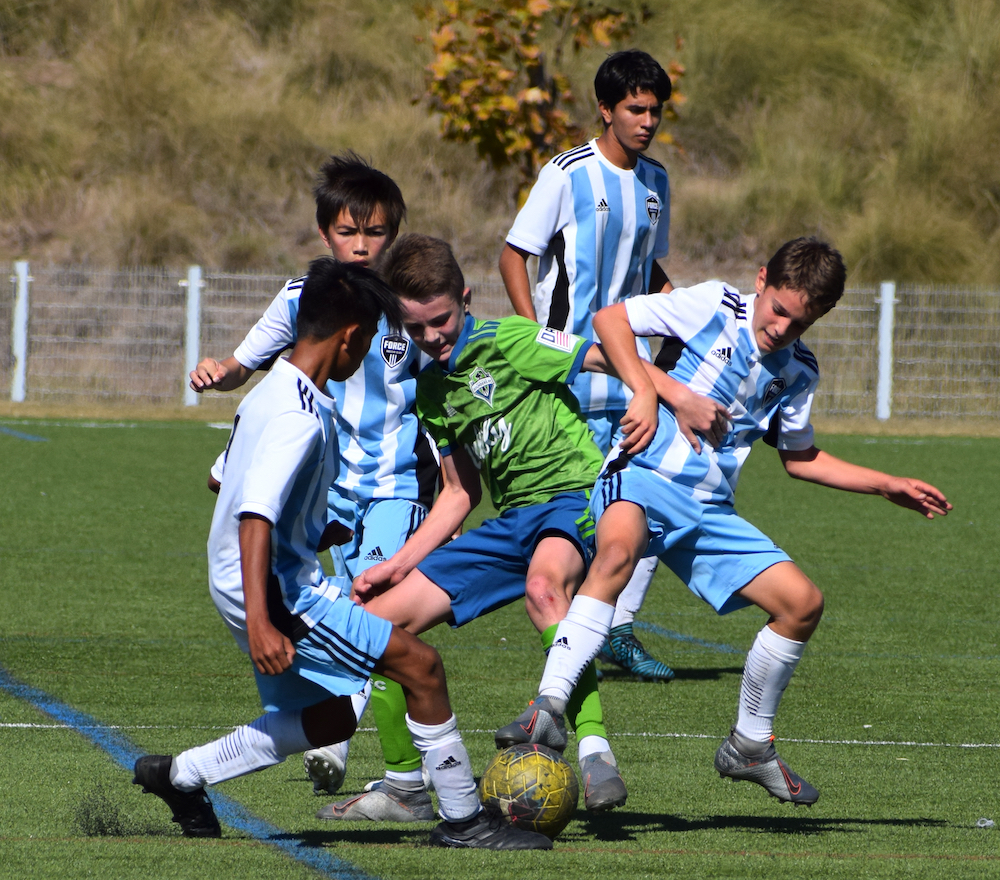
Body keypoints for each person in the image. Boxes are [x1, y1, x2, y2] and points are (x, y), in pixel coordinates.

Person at [495, 238, 952, 805]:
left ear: (821, 316)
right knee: (616, 554)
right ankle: (550, 705)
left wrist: (888, 484)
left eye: (800, 321)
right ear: (761, 281)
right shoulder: (714, 305)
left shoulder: (800, 370)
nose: (783, 327)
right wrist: (661, 393)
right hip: (640, 471)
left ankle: (751, 744)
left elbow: (800, 457)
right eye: (779, 309)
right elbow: (609, 320)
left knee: (802, 604)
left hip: (708, 508)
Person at [133, 258, 551, 850]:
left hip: (251, 578)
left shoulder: (273, 390)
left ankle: (182, 776)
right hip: (276, 593)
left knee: (331, 718)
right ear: (351, 337)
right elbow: (254, 514)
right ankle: (463, 821)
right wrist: (261, 620)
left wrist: (308, 530)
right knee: (421, 666)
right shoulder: (300, 418)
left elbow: (224, 480)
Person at [321, 234, 724, 819]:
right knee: (375, 623)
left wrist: (669, 394)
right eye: (415, 329)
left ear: (464, 297)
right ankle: (406, 788)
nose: (432, 337)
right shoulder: (432, 389)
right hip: (511, 522)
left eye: (441, 320)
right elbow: (460, 494)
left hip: (574, 499)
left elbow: (603, 354)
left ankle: (593, 749)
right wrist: (396, 564)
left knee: (544, 587)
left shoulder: (509, 339)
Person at [187, 152, 435, 806]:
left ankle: (401, 778)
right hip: (316, 500)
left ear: (395, 233)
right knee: (348, 631)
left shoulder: (410, 307)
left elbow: (443, 380)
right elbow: (249, 362)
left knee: (379, 622)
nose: (360, 245)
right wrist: (223, 370)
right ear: (325, 234)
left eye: (374, 232)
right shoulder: (305, 300)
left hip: (388, 490)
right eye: (347, 233)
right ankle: (344, 735)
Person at [499, 49, 704, 681]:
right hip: (569, 375)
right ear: (606, 110)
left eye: (654, 111)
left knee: (661, 491)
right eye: (634, 109)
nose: (646, 121)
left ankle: (616, 627)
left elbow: (648, 269)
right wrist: (537, 341)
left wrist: (678, 310)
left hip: (631, 375)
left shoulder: (656, 183)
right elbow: (515, 255)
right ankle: (572, 627)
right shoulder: (566, 174)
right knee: (584, 511)